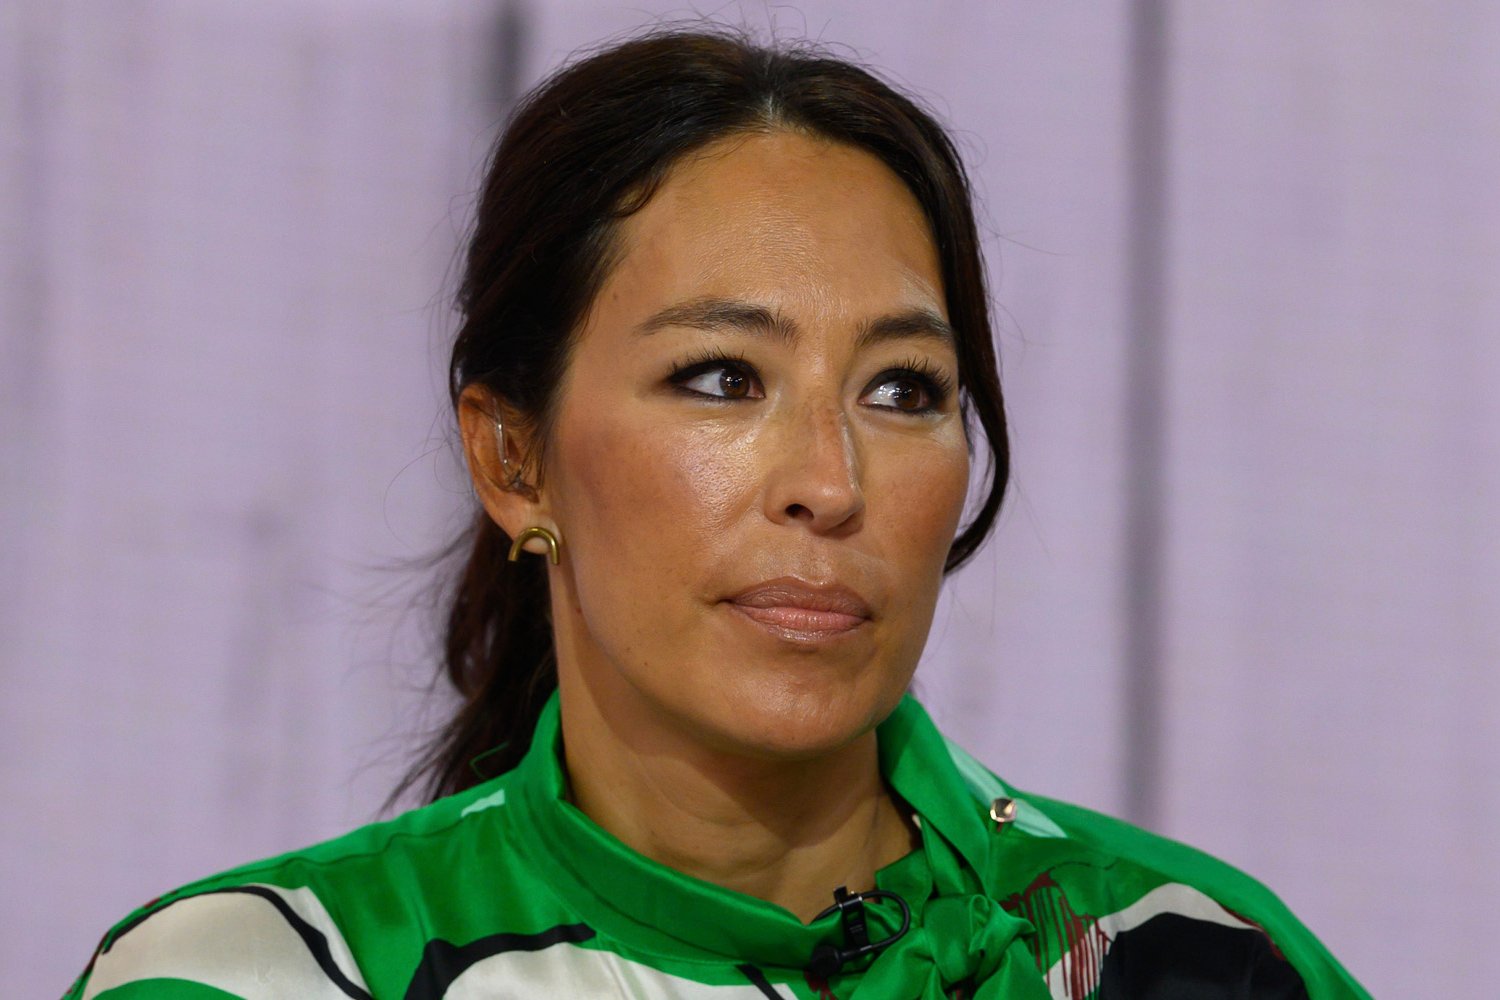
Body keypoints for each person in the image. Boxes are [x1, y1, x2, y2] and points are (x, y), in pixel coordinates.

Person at [66, 28, 1370, 1000]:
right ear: (514, 461)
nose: (830, 483)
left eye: (902, 389)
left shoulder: (1189, 960)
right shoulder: (255, 979)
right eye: (720, 378)